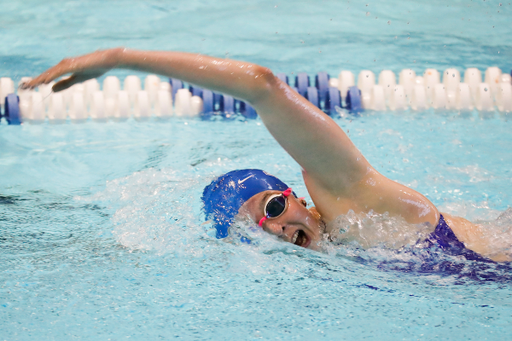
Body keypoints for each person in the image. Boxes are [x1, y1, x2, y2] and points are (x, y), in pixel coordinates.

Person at [22, 48, 511, 263]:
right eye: (252, 230)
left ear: (294, 196)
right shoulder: (336, 258)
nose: (275, 227)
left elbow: (262, 85)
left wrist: (117, 59)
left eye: (273, 207)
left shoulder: (353, 205)